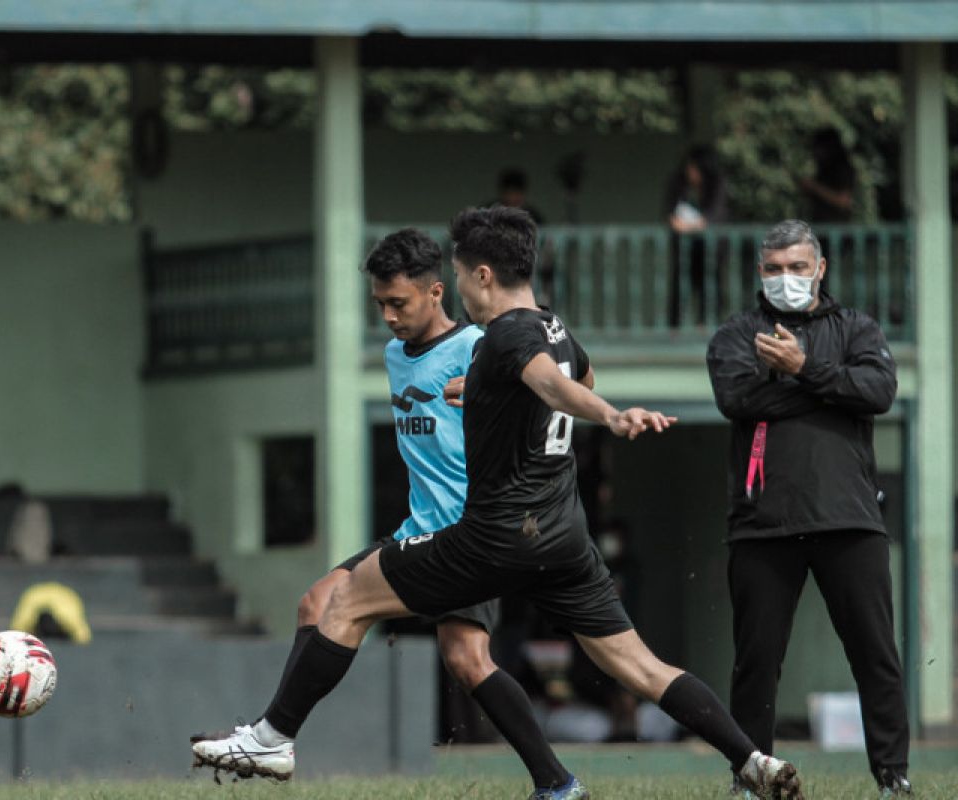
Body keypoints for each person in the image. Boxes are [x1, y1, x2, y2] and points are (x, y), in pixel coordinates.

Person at [192, 207, 803, 800]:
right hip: (561, 533)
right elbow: (570, 378)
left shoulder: (504, 335)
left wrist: (612, 417)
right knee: (638, 665)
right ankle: (751, 760)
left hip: (490, 533)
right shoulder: (551, 327)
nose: (458, 288)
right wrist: (491, 393)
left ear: (478, 275)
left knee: (347, 601)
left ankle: (273, 738)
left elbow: (553, 385)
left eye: (457, 275)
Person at [195, 227, 578, 792]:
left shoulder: (481, 347)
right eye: (380, 306)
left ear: (435, 293)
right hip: (419, 529)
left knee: (407, 634)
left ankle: (273, 738)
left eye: (399, 303)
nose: (390, 317)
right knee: (351, 614)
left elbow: (545, 392)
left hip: (468, 532)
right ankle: (557, 783)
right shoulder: (395, 354)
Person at [706, 219, 910, 798]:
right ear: (759, 272)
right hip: (762, 524)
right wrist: (826, 387)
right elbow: (736, 399)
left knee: (876, 657)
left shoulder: (857, 328)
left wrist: (802, 369)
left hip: (851, 519)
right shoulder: (736, 333)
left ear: (820, 268)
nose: (785, 279)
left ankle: (894, 777)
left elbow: (877, 392)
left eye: (797, 267)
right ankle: (751, 779)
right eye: (773, 269)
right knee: (756, 665)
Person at [664, 145, 728, 326]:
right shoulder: (679, 184)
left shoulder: (717, 184)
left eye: (694, 168)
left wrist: (691, 226)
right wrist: (680, 224)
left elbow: (715, 216)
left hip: (711, 248)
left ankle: (705, 325)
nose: (690, 172)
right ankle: (674, 327)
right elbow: (670, 213)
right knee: (680, 285)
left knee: (709, 287)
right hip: (686, 248)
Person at [798, 127, 855, 224]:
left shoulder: (843, 170)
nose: (815, 152)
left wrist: (813, 186)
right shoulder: (823, 170)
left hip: (838, 231)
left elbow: (843, 201)